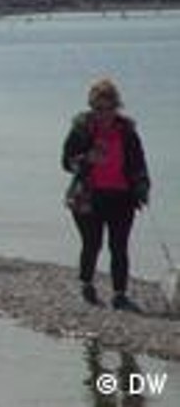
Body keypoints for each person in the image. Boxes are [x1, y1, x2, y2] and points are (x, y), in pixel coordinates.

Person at [61, 78, 150, 311]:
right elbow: (66, 162)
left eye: (109, 108)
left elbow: (139, 164)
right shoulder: (82, 129)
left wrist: (142, 187)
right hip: (88, 196)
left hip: (121, 196)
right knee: (92, 243)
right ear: (91, 107)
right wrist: (86, 159)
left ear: (117, 106)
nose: (104, 114)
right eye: (99, 109)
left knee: (119, 246)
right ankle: (87, 284)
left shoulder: (127, 132)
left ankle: (119, 294)